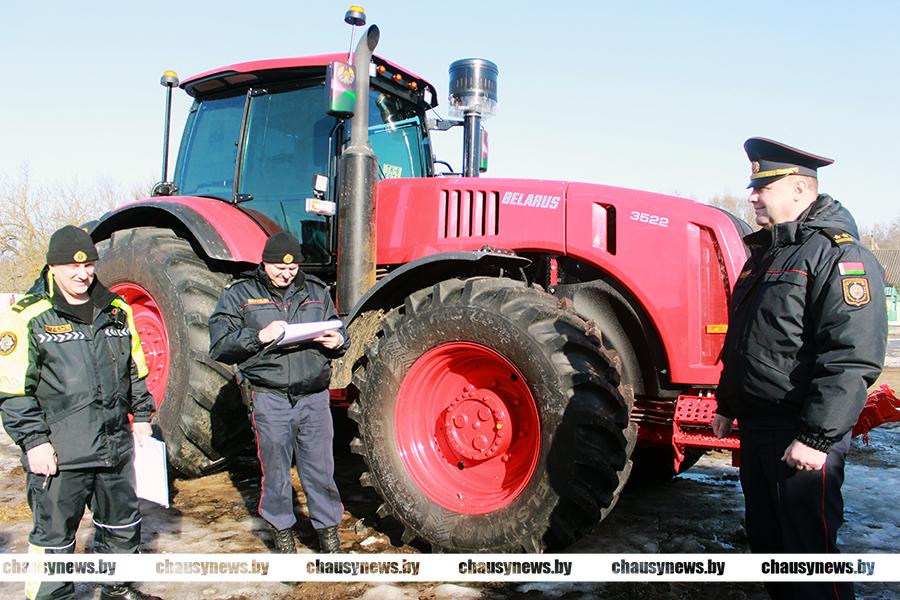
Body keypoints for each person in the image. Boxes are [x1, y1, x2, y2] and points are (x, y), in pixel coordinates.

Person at [713, 138, 887, 600]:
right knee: (771, 549)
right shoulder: (767, 255)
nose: (752, 197)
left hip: (802, 435)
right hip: (759, 430)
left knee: (808, 557)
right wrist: (728, 405)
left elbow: (851, 357)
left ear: (797, 188)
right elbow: (748, 340)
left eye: (761, 187)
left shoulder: (839, 256)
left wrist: (815, 438)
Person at [0, 225, 161, 600]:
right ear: (52, 267)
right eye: (72, 266)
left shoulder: (117, 310)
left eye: (89, 264)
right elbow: (11, 391)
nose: (82, 273)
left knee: (122, 524)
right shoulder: (28, 317)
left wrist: (143, 419)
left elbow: (135, 371)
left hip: (114, 447)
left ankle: (117, 588)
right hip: (60, 453)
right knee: (54, 539)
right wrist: (34, 441)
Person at [209, 232, 348, 553]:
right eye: (278, 267)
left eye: (292, 267)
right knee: (275, 473)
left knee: (321, 469)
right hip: (269, 397)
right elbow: (219, 345)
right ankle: (283, 535)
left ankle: (328, 536)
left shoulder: (315, 290)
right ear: (265, 262)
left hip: (313, 397)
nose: (286, 274)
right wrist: (258, 336)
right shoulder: (240, 294)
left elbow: (338, 328)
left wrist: (339, 342)